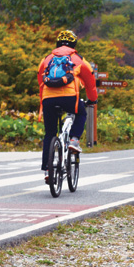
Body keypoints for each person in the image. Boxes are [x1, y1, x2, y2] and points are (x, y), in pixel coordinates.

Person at [37, 30, 98, 183]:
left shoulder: (47, 59)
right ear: (74, 45)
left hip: (48, 99)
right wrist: (92, 100)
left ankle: (47, 169)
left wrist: (43, 100)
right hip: (70, 98)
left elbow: (40, 80)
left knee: (50, 133)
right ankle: (74, 140)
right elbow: (90, 82)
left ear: (57, 44)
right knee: (81, 113)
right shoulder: (78, 59)